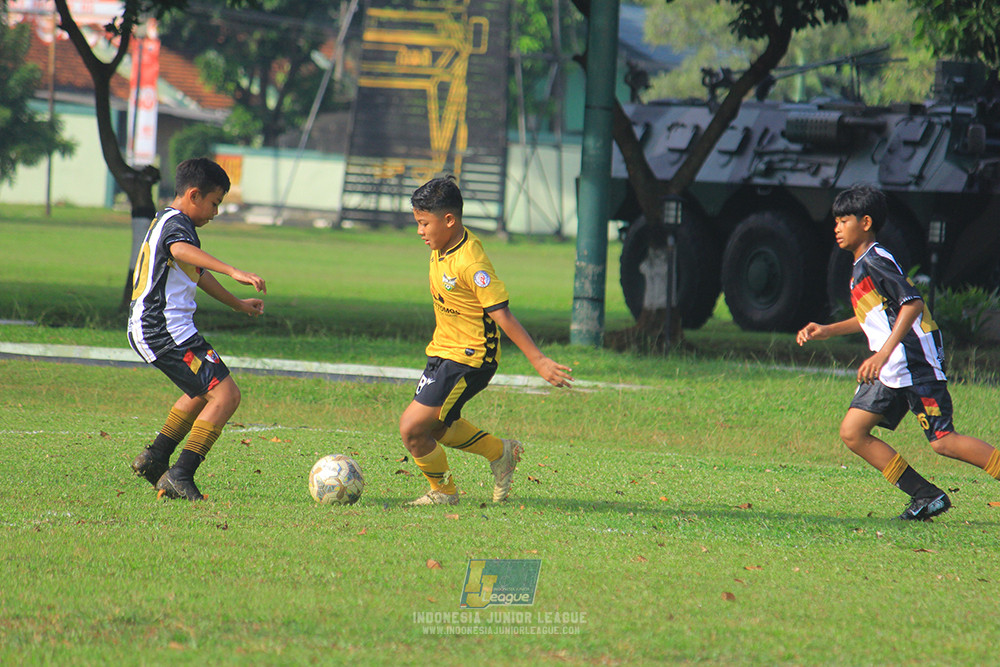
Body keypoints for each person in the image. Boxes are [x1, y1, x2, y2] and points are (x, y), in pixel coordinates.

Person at [796, 184, 1000, 520]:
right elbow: (874, 318)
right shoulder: (860, 265)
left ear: (865, 222)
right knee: (853, 432)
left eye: (843, 220)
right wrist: (828, 330)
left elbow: (913, 304)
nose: (836, 227)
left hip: (913, 362)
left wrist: (881, 354)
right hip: (891, 368)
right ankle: (925, 495)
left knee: (943, 441)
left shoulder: (876, 260)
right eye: (835, 221)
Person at [401, 176, 574, 506]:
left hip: (470, 359)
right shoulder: (441, 246)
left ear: (449, 220)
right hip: (442, 353)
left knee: (411, 428)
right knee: (433, 430)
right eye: (418, 223)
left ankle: (444, 493)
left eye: (424, 224)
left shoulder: (471, 262)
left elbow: (503, 315)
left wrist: (538, 360)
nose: (420, 232)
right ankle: (500, 452)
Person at [127, 157, 266, 501]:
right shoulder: (178, 226)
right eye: (215, 203)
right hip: (163, 329)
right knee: (226, 394)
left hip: (160, 328)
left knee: (202, 393)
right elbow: (180, 249)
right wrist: (234, 269)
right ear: (193, 194)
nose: (215, 212)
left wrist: (238, 303)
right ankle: (180, 474)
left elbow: (196, 273)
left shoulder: (166, 218)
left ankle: (155, 457)